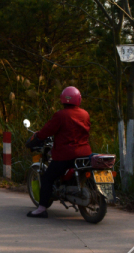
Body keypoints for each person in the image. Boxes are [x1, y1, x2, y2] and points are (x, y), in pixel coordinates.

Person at [25, 86, 91, 218]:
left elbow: (47, 131)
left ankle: (42, 208)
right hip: (84, 154)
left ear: (63, 100)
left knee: (48, 178)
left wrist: (37, 137)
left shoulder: (61, 115)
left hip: (65, 155)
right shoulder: (85, 114)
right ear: (78, 99)